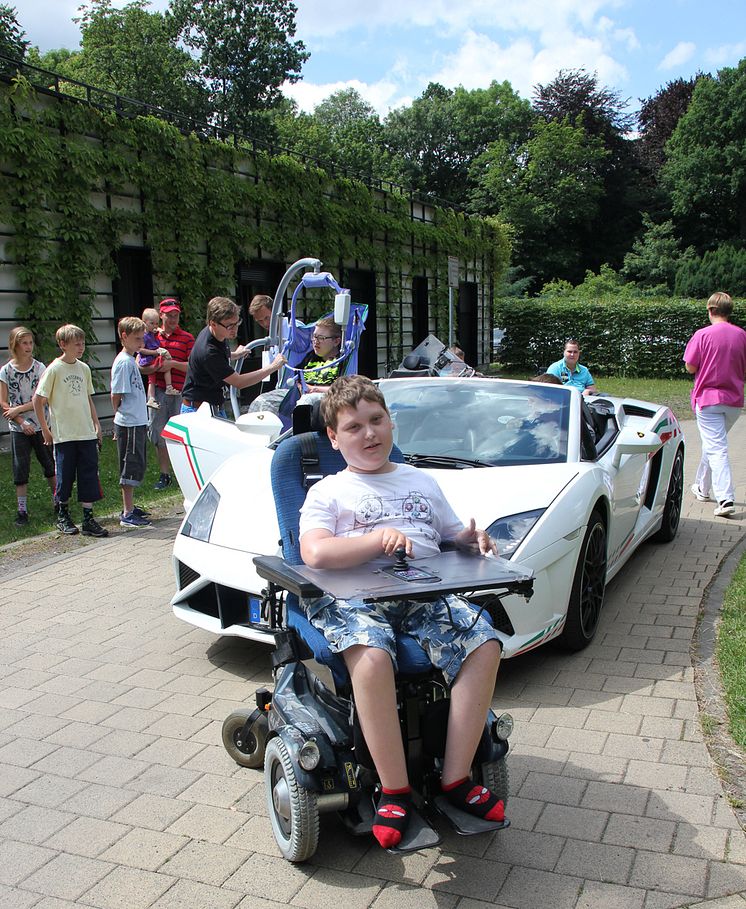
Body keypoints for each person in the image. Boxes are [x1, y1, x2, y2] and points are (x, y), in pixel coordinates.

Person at [299, 375, 505, 850]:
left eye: (377, 421)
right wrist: (375, 539)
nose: (369, 434)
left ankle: (454, 779)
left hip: (423, 592)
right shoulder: (329, 491)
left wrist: (469, 540)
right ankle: (394, 791)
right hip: (355, 597)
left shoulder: (421, 481)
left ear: (391, 422)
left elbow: (450, 534)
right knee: (372, 658)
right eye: (353, 427)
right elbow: (314, 553)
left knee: (485, 640)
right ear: (334, 437)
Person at [32, 324, 108, 537]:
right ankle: (63, 515)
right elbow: (38, 400)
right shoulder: (54, 369)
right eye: (77, 344)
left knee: (89, 474)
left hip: (85, 432)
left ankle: (88, 518)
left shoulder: (84, 368)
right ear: (63, 345)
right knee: (65, 475)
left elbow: (87, 398)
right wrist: (45, 429)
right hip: (65, 434)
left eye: (83, 343)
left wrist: (97, 424)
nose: (81, 347)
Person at [684, 291, 746, 518]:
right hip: (734, 402)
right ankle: (702, 487)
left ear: (710, 310)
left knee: (717, 447)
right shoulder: (742, 335)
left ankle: (725, 497)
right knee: (713, 444)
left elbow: (690, 366)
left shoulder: (702, 335)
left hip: (708, 399)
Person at [180, 296, 286, 416]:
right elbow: (238, 382)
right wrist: (273, 367)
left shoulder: (218, 334)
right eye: (230, 326)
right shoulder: (208, 351)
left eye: (236, 323)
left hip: (213, 407)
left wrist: (234, 355)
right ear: (213, 324)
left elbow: (216, 359)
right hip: (198, 412)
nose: (235, 329)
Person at [0, 326, 57, 526]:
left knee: (49, 464)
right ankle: (22, 510)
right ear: (15, 345)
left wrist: (19, 410)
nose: (28, 347)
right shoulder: (6, 371)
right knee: (20, 469)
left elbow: (41, 398)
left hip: (41, 424)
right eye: (24, 343)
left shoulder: (39, 367)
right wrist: (20, 420)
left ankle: (58, 502)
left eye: (30, 343)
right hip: (19, 428)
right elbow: (4, 403)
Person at [142, 298, 195, 490]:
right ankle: (165, 474)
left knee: (181, 434)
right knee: (158, 431)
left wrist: (172, 364)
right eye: (169, 315)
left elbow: (193, 366)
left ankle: (184, 473)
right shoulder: (152, 337)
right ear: (161, 315)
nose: (173, 319)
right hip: (158, 389)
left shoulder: (187, 338)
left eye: (176, 315)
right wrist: (153, 368)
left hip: (180, 390)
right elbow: (142, 363)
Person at [111, 316, 152, 529]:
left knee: (137, 463)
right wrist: (119, 417)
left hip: (137, 420)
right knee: (130, 464)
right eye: (137, 339)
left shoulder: (130, 359)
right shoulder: (123, 363)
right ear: (124, 337)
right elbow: (116, 394)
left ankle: (130, 506)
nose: (141, 344)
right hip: (129, 422)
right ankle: (127, 512)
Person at [137, 307, 175, 409]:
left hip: (153, 358)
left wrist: (159, 329)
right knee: (153, 379)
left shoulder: (152, 332)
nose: (155, 326)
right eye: (152, 323)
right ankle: (154, 396)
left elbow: (155, 329)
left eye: (156, 323)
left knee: (163, 369)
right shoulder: (144, 336)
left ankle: (166, 388)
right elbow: (140, 350)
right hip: (148, 359)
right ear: (144, 323)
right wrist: (155, 352)